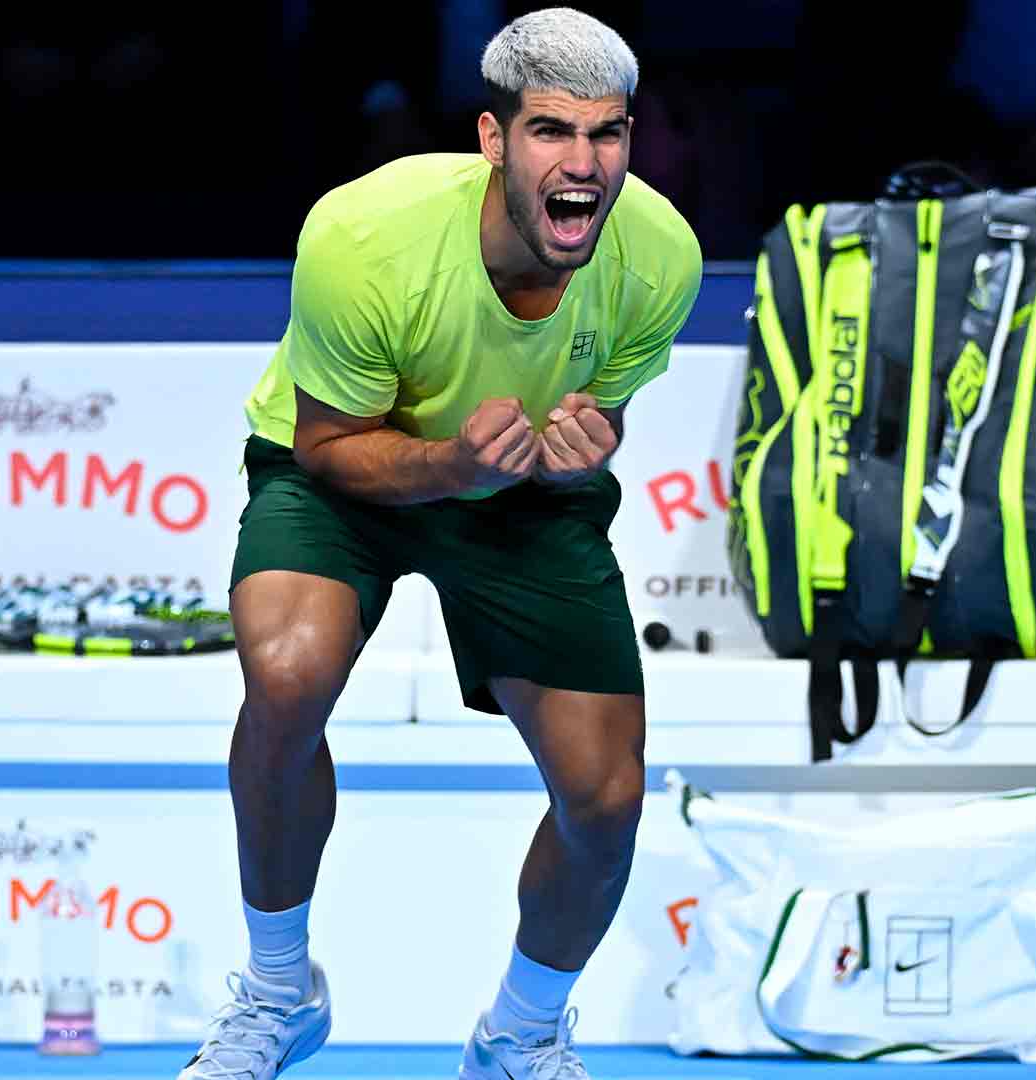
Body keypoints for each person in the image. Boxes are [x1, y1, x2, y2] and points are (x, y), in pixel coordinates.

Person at [180, 8, 702, 1079]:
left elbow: (602, 422)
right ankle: (279, 995)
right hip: (346, 473)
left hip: (518, 495)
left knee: (606, 800)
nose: (585, 162)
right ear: (494, 140)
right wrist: (456, 467)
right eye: (553, 131)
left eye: (608, 135)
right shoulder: (363, 236)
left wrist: (582, 453)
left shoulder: (661, 258)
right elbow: (328, 445)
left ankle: (518, 1036)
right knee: (284, 679)